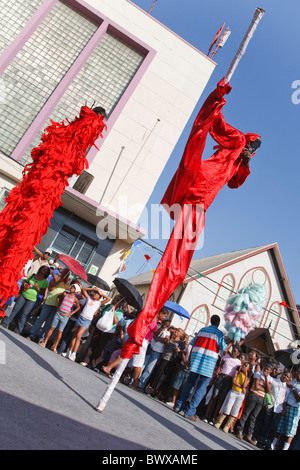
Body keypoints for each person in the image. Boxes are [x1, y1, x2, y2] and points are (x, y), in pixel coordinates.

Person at [174, 315, 228, 420]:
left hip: (196, 360)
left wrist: (189, 360)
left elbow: (192, 344)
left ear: (211, 321)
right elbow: (224, 349)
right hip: (208, 364)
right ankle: (189, 412)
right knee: (200, 389)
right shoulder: (219, 334)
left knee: (189, 384)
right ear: (218, 323)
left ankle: (178, 406)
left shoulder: (202, 330)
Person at [63, 287, 111, 362]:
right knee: (74, 335)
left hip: (87, 320)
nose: (95, 294)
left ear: (99, 297)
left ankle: (74, 354)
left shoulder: (98, 303)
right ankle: (69, 351)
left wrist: (101, 293)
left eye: (97, 294)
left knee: (79, 335)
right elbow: (83, 289)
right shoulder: (89, 299)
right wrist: (94, 289)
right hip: (81, 317)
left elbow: (108, 299)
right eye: (95, 293)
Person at [79, 293, 123, 370]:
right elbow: (100, 312)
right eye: (116, 298)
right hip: (99, 326)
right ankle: (86, 360)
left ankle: (95, 364)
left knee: (101, 347)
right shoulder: (108, 306)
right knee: (93, 344)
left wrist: (113, 312)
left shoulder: (120, 312)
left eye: (118, 299)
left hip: (109, 331)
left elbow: (116, 322)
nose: (116, 299)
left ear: (120, 302)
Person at [1, 265, 50, 334]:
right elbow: (25, 281)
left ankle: (18, 330)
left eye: (45, 270)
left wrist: (37, 287)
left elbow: (42, 292)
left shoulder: (45, 281)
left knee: (24, 314)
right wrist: (25, 284)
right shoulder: (33, 276)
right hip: (24, 294)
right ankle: (5, 323)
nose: (43, 270)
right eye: (43, 268)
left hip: (32, 299)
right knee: (15, 310)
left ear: (47, 273)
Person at [27, 268, 71, 342]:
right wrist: (58, 282)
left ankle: (42, 338)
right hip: (49, 301)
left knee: (49, 323)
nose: (64, 274)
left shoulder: (68, 284)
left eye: (66, 273)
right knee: (41, 319)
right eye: (63, 272)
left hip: (57, 305)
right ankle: (32, 334)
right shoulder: (56, 278)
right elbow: (50, 288)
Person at [235, 363, 273, 445]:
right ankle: (239, 430)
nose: (266, 370)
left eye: (268, 369)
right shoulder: (258, 374)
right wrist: (265, 389)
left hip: (262, 398)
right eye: (265, 368)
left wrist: (266, 378)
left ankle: (249, 434)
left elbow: (269, 391)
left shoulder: (270, 379)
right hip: (254, 395)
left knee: (254, 416)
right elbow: (256, 386)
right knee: (246, 413)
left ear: (270, 371)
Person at [203, 344, 241, 424]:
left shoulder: (238, 362)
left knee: (221, 399)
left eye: (235, 351)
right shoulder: (225, 357)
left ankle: (213, 418)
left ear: (238, 354)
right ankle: (206, 416)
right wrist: (218, 372)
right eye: (232, 350)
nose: (232, 352)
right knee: (214, 396)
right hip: (221, 377)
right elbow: (220, 366)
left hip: (229, 380)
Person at [38, 283, 81, 352]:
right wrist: (58, 306)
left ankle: (55, 346)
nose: (71, 288)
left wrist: (71, 313)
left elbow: (78, 307)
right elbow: (58, 297)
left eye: (73, 288)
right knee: (52, 328)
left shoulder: (75, 299)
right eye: (71, 287)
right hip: (59, 313)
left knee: (60, 331)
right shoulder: (65, 295)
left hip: (65, 316)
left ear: (76, 290)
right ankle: (44, 342)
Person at [147, 328, 186, 401]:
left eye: (179, 331)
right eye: (176, 330)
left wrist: (178, 350)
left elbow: (182, 353)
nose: (176, 332)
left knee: (165, 377)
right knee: (159, 374)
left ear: (181, 334)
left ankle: (160, 392)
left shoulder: (181, 343)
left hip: (171, 361)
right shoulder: (170, 339)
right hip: (164, 358)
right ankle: (154, 390)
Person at [257, 368, 291, 449]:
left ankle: (269, 444)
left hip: (279, 409)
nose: (285, 377)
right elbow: (268, 380)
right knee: (266, 424)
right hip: (271, 405)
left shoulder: (287, 389)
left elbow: (285, 400)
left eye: (287, 377)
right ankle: (261, 441)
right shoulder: (274, 381)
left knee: (274, 428)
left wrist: (284, 409)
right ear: (282, 374)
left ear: (289, 379)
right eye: (284, 375)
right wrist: (265, 376)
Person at [214, 362, 250, 433]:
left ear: (248, 369)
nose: (243, 366)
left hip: (240, 395)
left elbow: (244, 385)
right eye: (243, 365)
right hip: (233, 391)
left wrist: (245, 377)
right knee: (228, 407)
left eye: (245, 366)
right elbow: (234, 381)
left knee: (235, 410)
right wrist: (241, 386)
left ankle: (227, 426)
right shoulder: (237, 372)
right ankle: (219, 422)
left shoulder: (248, 378)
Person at [271, 367, 300, 450]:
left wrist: (292, 388)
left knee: (290, 431)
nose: (297, 374)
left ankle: (285, 448)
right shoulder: (293, 380)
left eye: (299, 373)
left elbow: (299, 399)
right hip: (286, 406)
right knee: (280, 427)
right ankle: (273, 444)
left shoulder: (293, 384)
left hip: (295, 408)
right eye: (297, 372)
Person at [138, 319, 171, 391]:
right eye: (165, 323)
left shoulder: (167, 333)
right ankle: (134, 381)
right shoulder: (157, 327)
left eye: (167, 324)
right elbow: (155, 333)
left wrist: (157, 338)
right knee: (142, 364)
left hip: (157, 352)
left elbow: (166, 340)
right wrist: (161, 328)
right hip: (150, 348)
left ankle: (141, 385)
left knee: (149, 369)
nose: (166, 325)